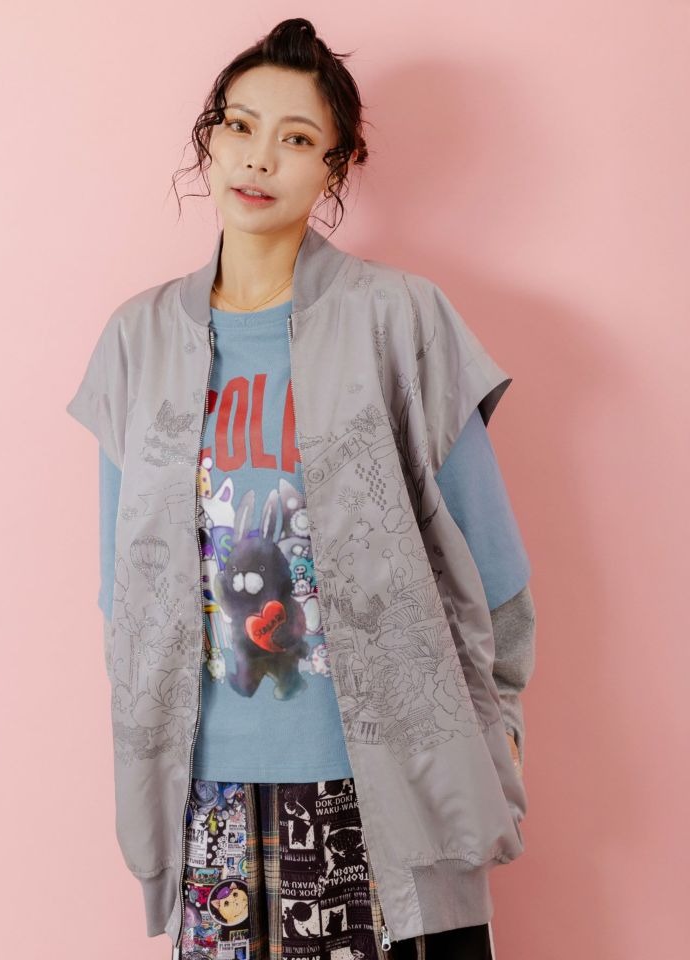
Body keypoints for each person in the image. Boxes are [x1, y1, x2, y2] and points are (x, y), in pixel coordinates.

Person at [68, 18, 536, 960]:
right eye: (241, 126)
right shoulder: (137, 341)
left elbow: (493, 569)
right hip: (208, 796)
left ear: (336, 164)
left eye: (296, 138)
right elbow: (127, 592)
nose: (259, 157)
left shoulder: (399, 319)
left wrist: (500, 732)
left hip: (388, 782)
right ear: (210, 138)